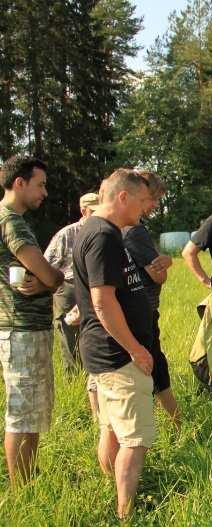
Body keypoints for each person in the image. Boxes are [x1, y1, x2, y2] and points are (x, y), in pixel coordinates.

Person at [72, 169, 154, 518]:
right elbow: (103, 301)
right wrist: (135, 348)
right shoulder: (104, 235)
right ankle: (126, 510)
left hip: (101, 349)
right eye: (141, 201)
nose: (144, 210)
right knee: (134, 439)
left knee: (111, 428)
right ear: (123, 197)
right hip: (117, 354)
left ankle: (114, 490)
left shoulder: (93, 229)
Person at [0, 155, 64, 486]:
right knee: (23, 415)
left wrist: (46, 280)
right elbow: (48, 274)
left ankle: (29, 479)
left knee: (31, 412)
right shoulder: (11, 221)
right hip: (21, 330)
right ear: (19, 183)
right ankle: (22, 488)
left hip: (23, 328)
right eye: (40, 185)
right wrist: (51, 278)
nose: (45, 192)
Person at [122, 171, 179, 427]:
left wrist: (164, 260)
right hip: (144, 309)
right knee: (154, 367)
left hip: (135, 310)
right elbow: (158, 276)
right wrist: (165, 263)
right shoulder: (135, 232)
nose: (155, 204)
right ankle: (173, 423)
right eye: (152, 198)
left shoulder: (126, 228)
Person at [44, 192, 99, 373]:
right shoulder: (66, 234)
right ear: (84, 211)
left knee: (93, 338)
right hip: (68, 289)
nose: (98, 215)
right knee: (70, 342)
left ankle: (92, 378)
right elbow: (46, 265)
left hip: (94, 290)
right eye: (94, 211)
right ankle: (74, 381)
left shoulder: (103, 231)